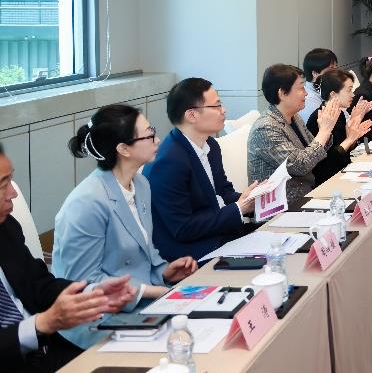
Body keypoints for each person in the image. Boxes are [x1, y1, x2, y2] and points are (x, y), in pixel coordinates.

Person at [52, 105, 199, 348]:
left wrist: (164, 272)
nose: (157, 140)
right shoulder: (87, 203)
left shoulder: (140, 184)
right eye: (149, 134)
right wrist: (152, 291)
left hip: (141, 306)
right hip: (98, 319)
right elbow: (83, 284)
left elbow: (143, 256)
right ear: (123, 149)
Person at [1, 142, 138, 372]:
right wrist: (41, 323)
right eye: (4, 184)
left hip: (46, 352)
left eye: (11, 180)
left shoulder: (6, 228)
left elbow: (40, 285)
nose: (13, 193)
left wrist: (92, 292)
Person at [144, 78, 258, 262]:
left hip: (220, 235)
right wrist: (239, 208)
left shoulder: (210, 146)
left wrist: (252, 198)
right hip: (191, 252)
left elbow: (223, 192)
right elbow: (183, 228)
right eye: (217, 106)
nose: (224, 110)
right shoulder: (167, 162)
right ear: (192, 115)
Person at [249, 65, 348, 201]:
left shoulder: (294, 117)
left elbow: (315, 152)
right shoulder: (266, 128)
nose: (306, 93)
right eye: (301, 88)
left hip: (308, 190)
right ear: (282, 93)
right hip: (285, 203)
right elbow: (300, 166)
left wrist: (327, 128)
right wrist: (324, 130)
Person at [307, 69, 372, 183]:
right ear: (333, 94)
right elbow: (327, 164)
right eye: (349, 90)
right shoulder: (318, 119)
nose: (353, 95)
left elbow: (347, 151)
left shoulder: (340, 114)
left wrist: (354, 132)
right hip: (328, 180)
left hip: (345, 172)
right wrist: (350, 139)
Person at [298, 48, 338, 121]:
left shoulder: (325, 87)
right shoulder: (309, 100)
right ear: (315, 73)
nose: (337, 73)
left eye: (336, 67)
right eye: (332, 69)